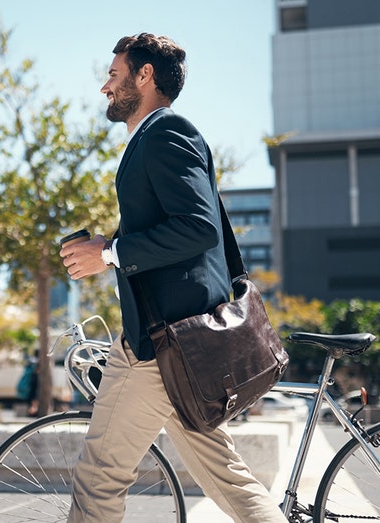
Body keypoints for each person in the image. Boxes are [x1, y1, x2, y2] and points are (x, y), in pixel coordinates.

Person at [59, 33, 285, 522]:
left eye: (114, 75)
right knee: (229, 479)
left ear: (145, 76)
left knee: (99, 478)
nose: (105, 87)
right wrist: (106, 247)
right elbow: (183, 226)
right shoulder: (157, 137)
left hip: (161, 344)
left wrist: (113, 252)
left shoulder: (165, 132)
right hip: (184, 343)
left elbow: (198, 228)